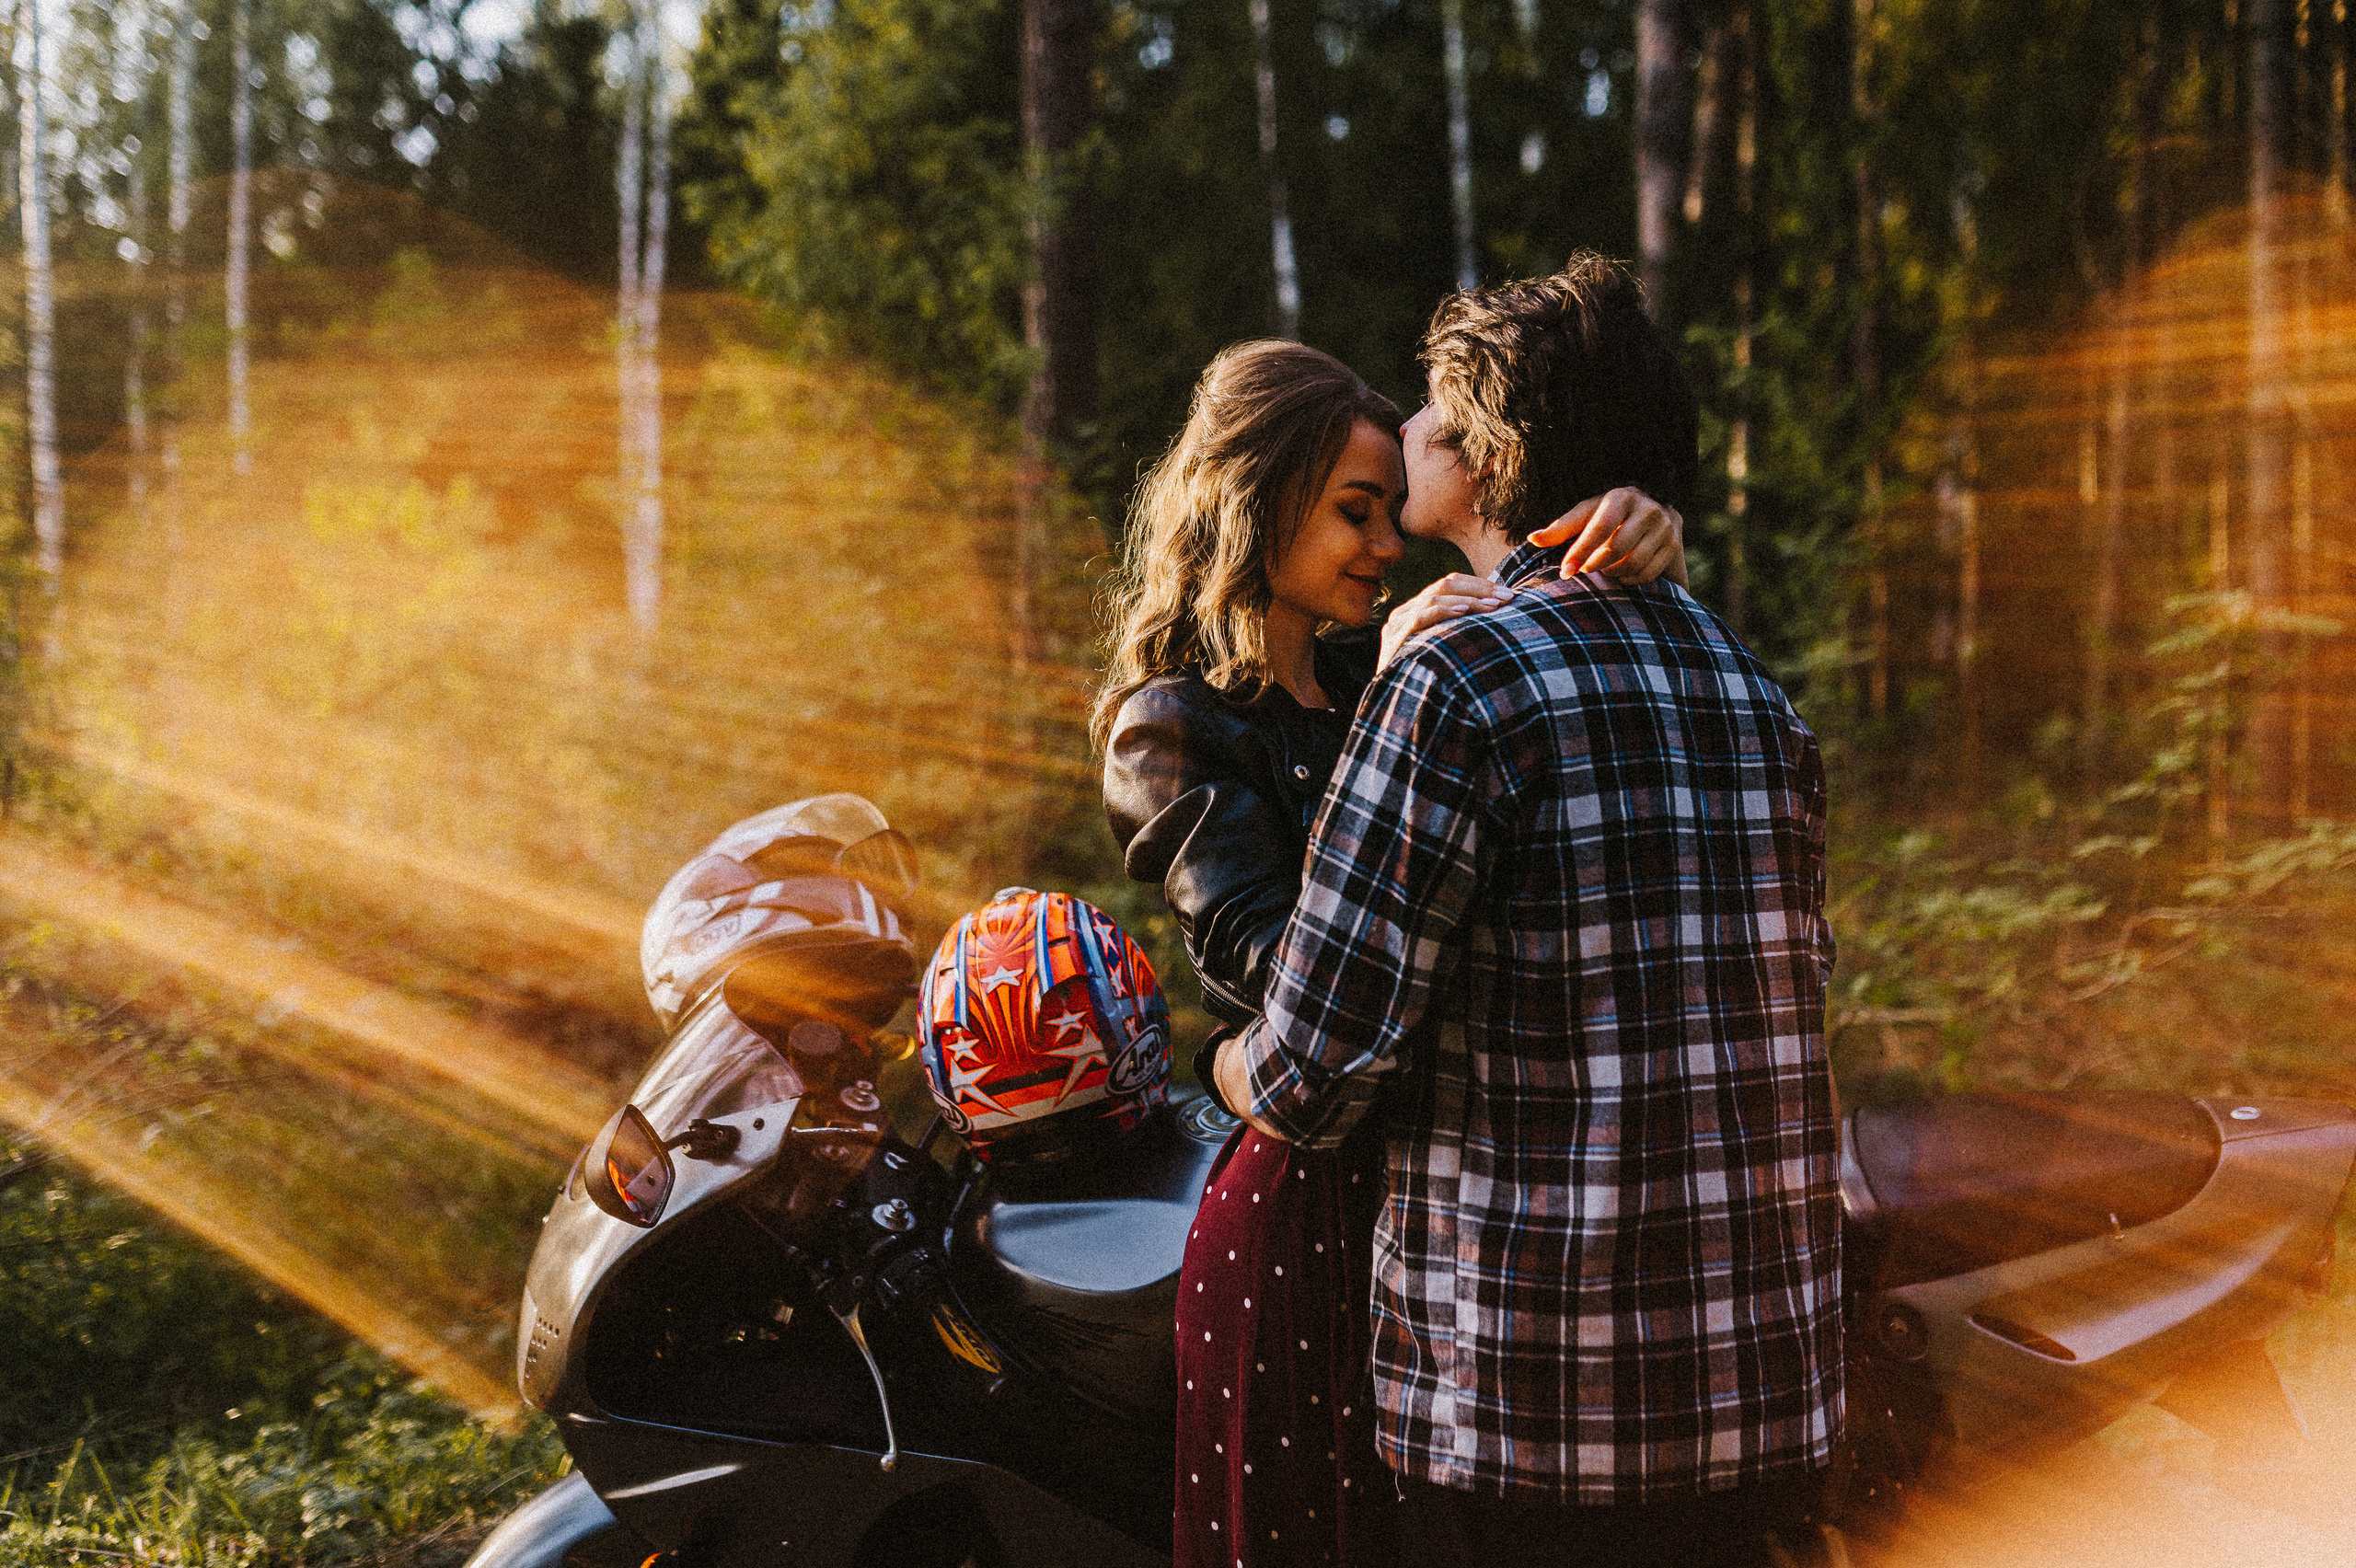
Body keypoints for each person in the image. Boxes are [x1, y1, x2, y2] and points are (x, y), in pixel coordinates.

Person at [1213, 257, 1842, 1568]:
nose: (1409, 434)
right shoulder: (1756, 696)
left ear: (1492, 463)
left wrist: (1221, 1063)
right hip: (1754, 1406)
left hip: (1529, 1422)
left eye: (1437, 417)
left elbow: (1310, 1077)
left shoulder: (1457, 684)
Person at [1095, 338, 1687, 1568]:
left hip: (1459, 1203)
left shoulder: (1401, 656)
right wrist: (1395, 704)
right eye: (1353, 513)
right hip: (1309, 1206)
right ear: (1256, 506)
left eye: (1386, 513)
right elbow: (1275, 967)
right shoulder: (1173, 726)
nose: (1382, 546)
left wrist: (1642, 532)